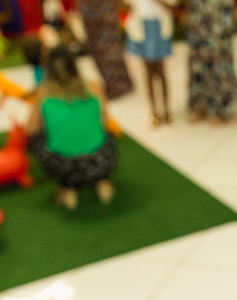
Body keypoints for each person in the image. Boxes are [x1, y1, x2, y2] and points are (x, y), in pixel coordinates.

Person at [28, 45, 118, 210]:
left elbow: (31, 129)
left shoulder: (43, 93)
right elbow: (105, 121)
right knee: (104, 135)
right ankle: (102, 181)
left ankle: (67, 188)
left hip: (64, 167)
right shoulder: (93, 86)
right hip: (100, 160)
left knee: (37, 138)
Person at [184, 0, 237, 122]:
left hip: (217, 15)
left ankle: (222, 109)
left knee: (219, 61)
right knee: (197, 62)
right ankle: (200, 106)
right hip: (197, 15)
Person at [125, 0, 177, 126]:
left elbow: (173, 6)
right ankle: (154, 111)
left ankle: (166, 109)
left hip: (159, 26)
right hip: (141, 27)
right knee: (148, 72)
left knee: (161, 70)